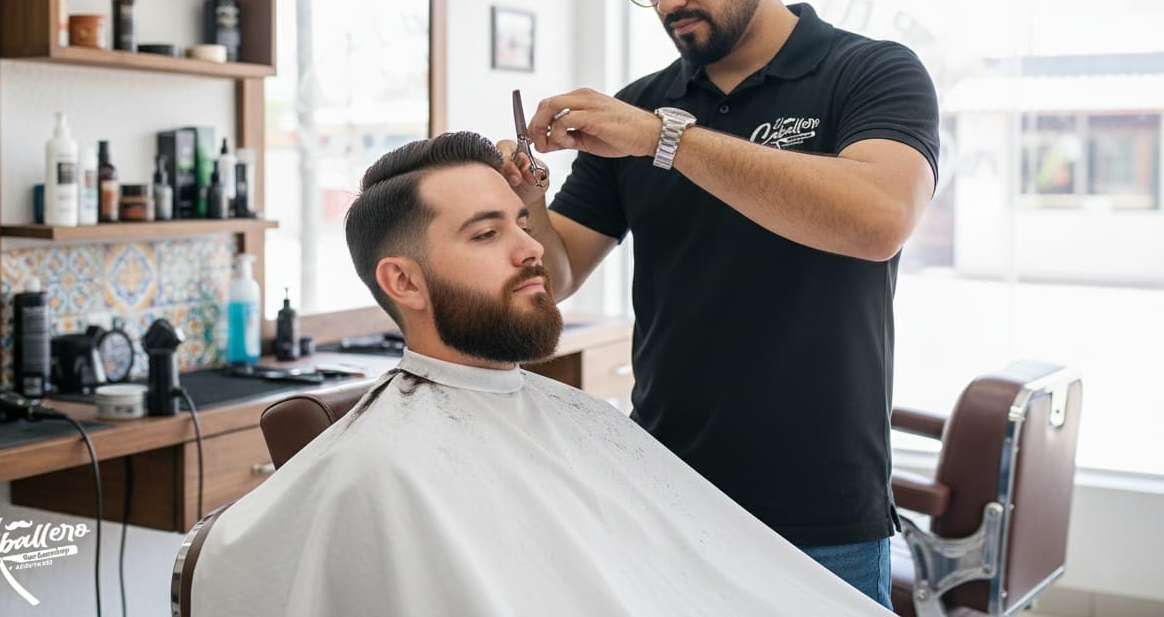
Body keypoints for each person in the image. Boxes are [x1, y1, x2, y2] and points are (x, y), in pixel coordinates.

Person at [192, 132, 893, 616]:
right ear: (402, 281)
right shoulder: (383, 471)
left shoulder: (569, 415)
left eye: (522, 222)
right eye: (487, 233)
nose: (532, 249)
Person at [504, 0, 940, 606]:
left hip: (821, 511)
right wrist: (527, 204)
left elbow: (878, 219)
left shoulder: (870, 74)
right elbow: (562, 270)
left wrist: (661, 139)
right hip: (664, 493)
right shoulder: (638, 105)